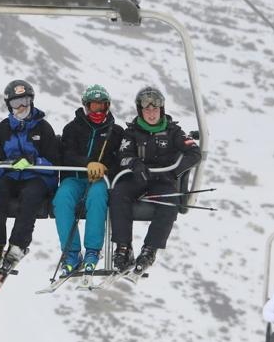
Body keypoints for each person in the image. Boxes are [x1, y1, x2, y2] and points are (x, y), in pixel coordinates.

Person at [109, 86, 201, 273]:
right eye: (147, 110)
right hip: (137, 178)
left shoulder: (173, 131)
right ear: (140, 111)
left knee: (170, 202)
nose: (151, 114)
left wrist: (173, 172)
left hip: (162, 180)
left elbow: (194, 153)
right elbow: (123, 155)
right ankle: (123, 247)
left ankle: (150, 249)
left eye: (155, 109)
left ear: (162, 109)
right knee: (118, 195)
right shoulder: (132, 131)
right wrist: (135, 164)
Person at [0, 80, 59, 269]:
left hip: (38, 177)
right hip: (12, 176)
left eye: (25, 100)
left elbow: (55, 161)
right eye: (16, 103)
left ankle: (18, 245)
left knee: (31, 195)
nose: (22, 106)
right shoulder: (3, 128)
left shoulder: (43, 128)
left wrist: (34, 161)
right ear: (9, 105)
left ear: (31, 100)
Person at [52, 84, 124, 274]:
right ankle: (71, 252)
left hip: (100, 180)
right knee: (62, 198)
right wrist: (87, 163)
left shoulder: (115, 132)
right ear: (86, 106)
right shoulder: (73, 128)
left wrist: (105, 169)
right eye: (94, 106)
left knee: (98, 196)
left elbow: (120, 160)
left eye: (102, 106)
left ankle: (93, 250)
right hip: (75, 179)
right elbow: (66, 154)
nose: (98, 110)